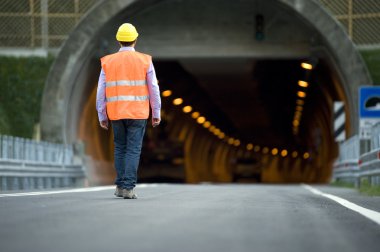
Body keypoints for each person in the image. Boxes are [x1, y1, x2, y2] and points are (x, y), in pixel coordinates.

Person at [96, 23, 161, 199]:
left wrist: (102, 114)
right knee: (133, 149)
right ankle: (128, 188)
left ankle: (120, 186)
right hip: (138, 113)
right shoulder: (145, 60)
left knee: (120, 148)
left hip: (116, 112)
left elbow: (101, 90)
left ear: (118, 40)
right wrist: (156, 112)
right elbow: (153, 88)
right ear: (135, 40)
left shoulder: (108, 61)